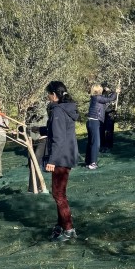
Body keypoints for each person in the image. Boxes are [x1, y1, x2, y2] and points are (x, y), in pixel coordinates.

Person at [43, 81, 80, 242]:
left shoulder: (57, 111)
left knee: (58, 194)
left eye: (48, 94)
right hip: (67, 155)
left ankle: (69, 229)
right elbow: (60, 130)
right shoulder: (67, 109)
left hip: (60, 157)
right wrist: (39, 130)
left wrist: (52, 160)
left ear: (54, 95)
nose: (47, 97)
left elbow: (58, 138)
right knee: (60, 193)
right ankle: (61, 225)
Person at [85, 83, 120, 169]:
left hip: (91, 121)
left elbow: (106, 99)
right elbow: (110, 99)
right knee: (96, 143)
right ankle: (93, 163)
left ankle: (88, 161)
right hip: (95, 121)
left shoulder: (95, 98)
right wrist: (116, 92)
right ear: (98, 90)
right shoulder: (97, 98)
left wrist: (112, 92)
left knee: (91, 142)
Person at [24, 100, 49, 193]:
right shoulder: (28, 111)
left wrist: (36, 129)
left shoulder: (42, 111)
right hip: (31, 141)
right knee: (32, 164)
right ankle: (35, 187)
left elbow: (45, 127)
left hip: (41, 140)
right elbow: (27, 124)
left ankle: (34, 188)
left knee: (36, 163)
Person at [99, 83, 117, 153]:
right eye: (105, 87)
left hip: (110, 113)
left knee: (109, 130)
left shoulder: (112, 93)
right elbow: (110, 99)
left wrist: (116, 92)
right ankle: (102, 145)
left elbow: (113, 98)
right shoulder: (101, 94)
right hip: (102, 113)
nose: (106, 88)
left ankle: (108, 146)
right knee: (101, 130)